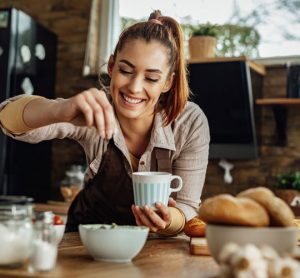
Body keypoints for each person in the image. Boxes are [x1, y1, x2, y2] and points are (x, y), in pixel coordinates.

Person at [0, 10, 210, 235]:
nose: (135, 87)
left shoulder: (189, 122)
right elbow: (7, 118)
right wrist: (60, 109)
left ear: (168, 82)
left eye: (151, 78)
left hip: (155, 250)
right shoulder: (95, 109)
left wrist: (168, 222)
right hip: (87, 243)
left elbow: (187, 208)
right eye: (126, 70)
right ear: (111, 66)